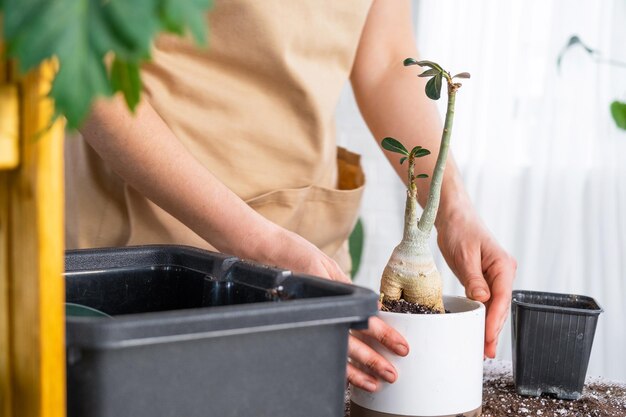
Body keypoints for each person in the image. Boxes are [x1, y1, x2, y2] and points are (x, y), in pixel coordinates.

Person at [65, 0, 516, 393]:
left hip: (305, 258)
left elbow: (385, 60)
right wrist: (262, 250)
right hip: (154, 252)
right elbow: (82, 65)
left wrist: (452, 208)